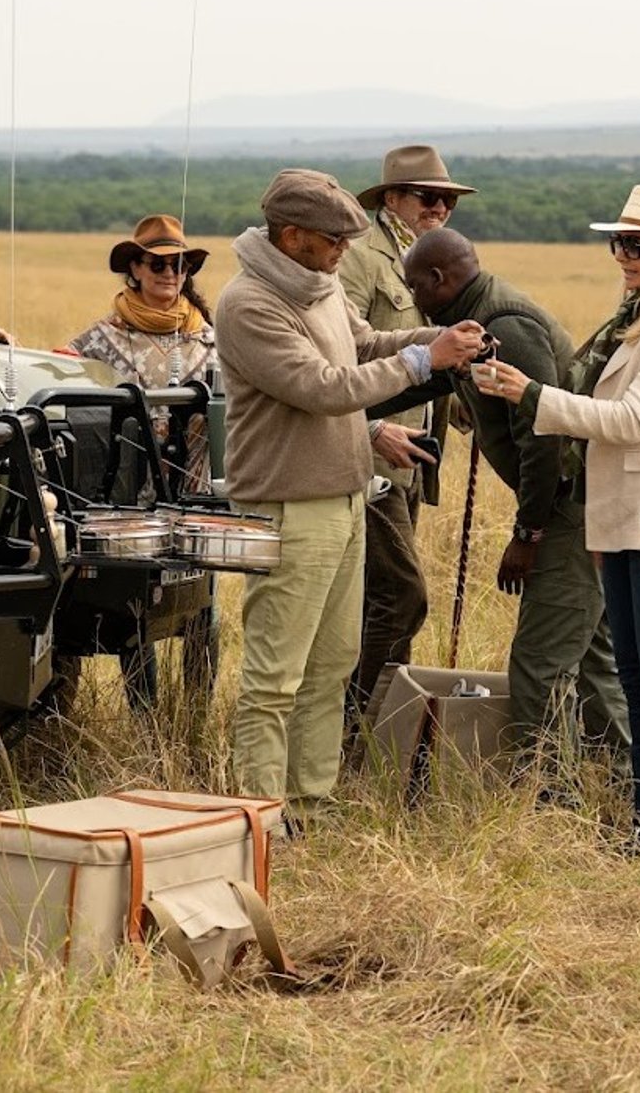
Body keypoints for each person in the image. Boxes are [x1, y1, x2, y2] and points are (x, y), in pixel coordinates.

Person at [216, 168, 484, 817]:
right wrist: (427, 361)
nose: (342, 249)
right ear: (291, 235)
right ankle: (259, 814)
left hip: (344, 496)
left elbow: (364, 343)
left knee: (331, 663)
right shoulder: (250, 302)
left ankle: (310, 800)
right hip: (286, 504)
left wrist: (432, 339)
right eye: (331, 238)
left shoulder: (319, 284)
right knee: (275, 676)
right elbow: (325, 386)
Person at [477, 185, 640, 851]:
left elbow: (630, 420)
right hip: (625, 519)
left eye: (635, 244)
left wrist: (532, 394)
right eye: (616, 241)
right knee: (639, 681)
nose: (621, 254)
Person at [401, 229, 630, 764]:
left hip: (567, 511)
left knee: (539, 669)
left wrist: (527, 536)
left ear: (438, 280)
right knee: (595, 663)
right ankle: (635, 785)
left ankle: (553, 803)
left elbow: (544, 439)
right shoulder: (473, 320)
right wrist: (342, 400)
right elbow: (428, 382)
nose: (411, 297)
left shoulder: (508, 328)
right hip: (579, 507)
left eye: (414, 286)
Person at [338, 144, 477, 721]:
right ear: (391, 198)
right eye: (428, 196)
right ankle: (363, 727)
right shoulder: (359, 260)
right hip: (367, 457)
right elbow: (335, 363)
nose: (440, 207)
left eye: (447, 199)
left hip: (413, 457)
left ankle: (382, 727)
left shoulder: (436, 255)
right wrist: (368, 429)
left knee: (378, 600)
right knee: (402, 597)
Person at [64, 214, 216, 492]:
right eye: (158, 265)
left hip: (197, 500)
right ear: (135, 269)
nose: (170, 274)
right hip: (126, 498)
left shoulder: (211, 340)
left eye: (179, 265)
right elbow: (55, 370)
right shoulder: (102, 339)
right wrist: (5, 346)